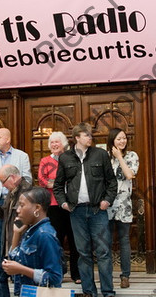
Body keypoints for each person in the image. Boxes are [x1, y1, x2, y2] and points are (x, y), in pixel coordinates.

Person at [53, 122, 117, 297]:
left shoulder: (101, 155)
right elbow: (58, 186)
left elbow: (112, 182)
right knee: (83, 253)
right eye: (87, 135)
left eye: (90, 134)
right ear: (77, 138)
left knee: (103, 252)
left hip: (98, 210)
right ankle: (89, 292)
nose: (90, 137)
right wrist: (63, 203)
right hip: (76, 212)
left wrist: (107, 200)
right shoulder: (65, 158)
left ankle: (108, 292)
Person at [37, 131, 80, 284]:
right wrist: (61, 183)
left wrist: (54, 182)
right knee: (56, 241)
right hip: (54, 205)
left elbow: (75, 178)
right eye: (52, 142)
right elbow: (42, 180)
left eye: (57, 142)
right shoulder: (45, 160)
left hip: (71, 204)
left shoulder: (71, 158)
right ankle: (58, 273)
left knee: (75, 240)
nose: (54, 145)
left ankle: (77, 274)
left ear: (64, 144)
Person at [3, 187, 63, 292]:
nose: (18, 210)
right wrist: (16, 233)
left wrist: (21, 270)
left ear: (37, 208)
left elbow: (54, 278)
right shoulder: (30, 231)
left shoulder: (45, 235)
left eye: (22, 205)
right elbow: (13, 260)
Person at [0, 164, 33, 297]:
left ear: (12, 177)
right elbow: (5, 216)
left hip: (21, 249)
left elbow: (24, 220)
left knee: (19, 283)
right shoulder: (12, 192)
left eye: (3, 181)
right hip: (10, 248)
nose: (2, 186)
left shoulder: (26, 191)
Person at [106, 128, 139, 289]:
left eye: (124, 138)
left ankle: (125, 276)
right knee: (106, 242)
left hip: (124, 205)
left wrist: (119, 157)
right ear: (112, 140)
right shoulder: (105, 157)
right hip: (106, 205)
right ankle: (107, 275)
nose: (122, 141)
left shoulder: (131, 156)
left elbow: (129, 175)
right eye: (119, 139)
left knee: (124, 240)